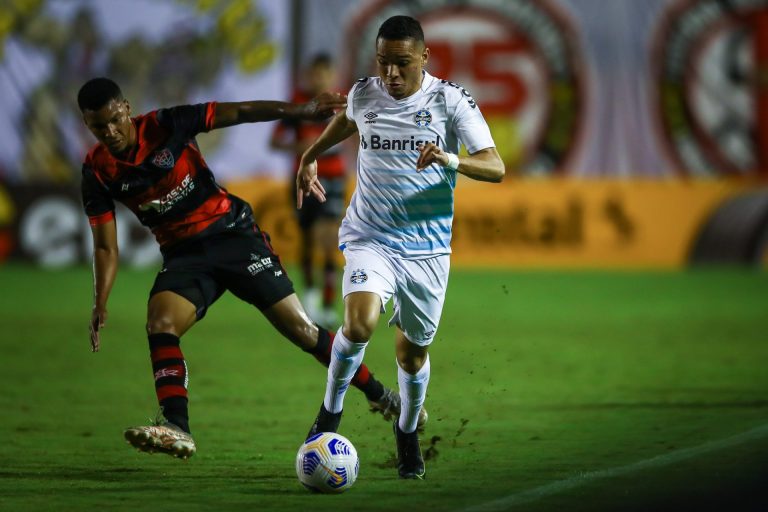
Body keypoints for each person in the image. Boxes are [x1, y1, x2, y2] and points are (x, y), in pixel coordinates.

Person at [78, 77, 423, 460]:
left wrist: (302, 111)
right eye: (97, 127)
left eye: (113, 119)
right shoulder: (97, 170)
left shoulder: (165, 124)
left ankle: (380, 395)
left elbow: (239, 112)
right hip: (184, 256)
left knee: (303, 331)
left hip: (233, 236)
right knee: (160, 323)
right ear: (87, 125)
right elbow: (106, 245)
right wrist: (100, 301)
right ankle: (177, 426)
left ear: (126, 107)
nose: (109, 132)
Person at [297, 15, 505, 479]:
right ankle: (329, 413)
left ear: (425, 58)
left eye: (402, 64)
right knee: (359, 321)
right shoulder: (364, 93)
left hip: (428, 252)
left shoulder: (450, 101)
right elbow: (347, 121)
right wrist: (310, 156)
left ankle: (407, 430)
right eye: (384, 62)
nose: (391, 74)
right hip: (370, 236)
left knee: (411, 356)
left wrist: (452, 159)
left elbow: (496, 166)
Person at [270, 54, 346, 328]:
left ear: (332, 76)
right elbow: (275, 142)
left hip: (333, 177)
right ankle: (311, 297)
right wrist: (301, 148)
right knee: (306, 240)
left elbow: (357, 133)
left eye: (325, 74)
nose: (320, 79)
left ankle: (327, 304)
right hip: (302, 178)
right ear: (308, 75)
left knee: (327, 239)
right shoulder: (300, 103)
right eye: (315, 74)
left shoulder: (343, 103)